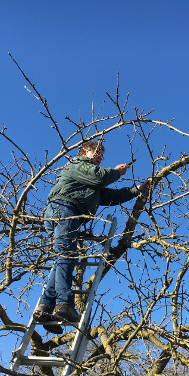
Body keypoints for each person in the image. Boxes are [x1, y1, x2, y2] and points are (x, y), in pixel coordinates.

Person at [34, 140, 149, 333]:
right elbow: (100, 177)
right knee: (66, 256)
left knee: (62, 257)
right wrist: (116, 172)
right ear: (84, 152)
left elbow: (110, 196)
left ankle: (45, 307)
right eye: (97, 152)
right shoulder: (78, 164)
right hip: (65, 209)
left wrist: (136, 190)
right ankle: (64, 305)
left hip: (68, 213)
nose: (100, 157)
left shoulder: (90, 183)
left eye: (102, 155)